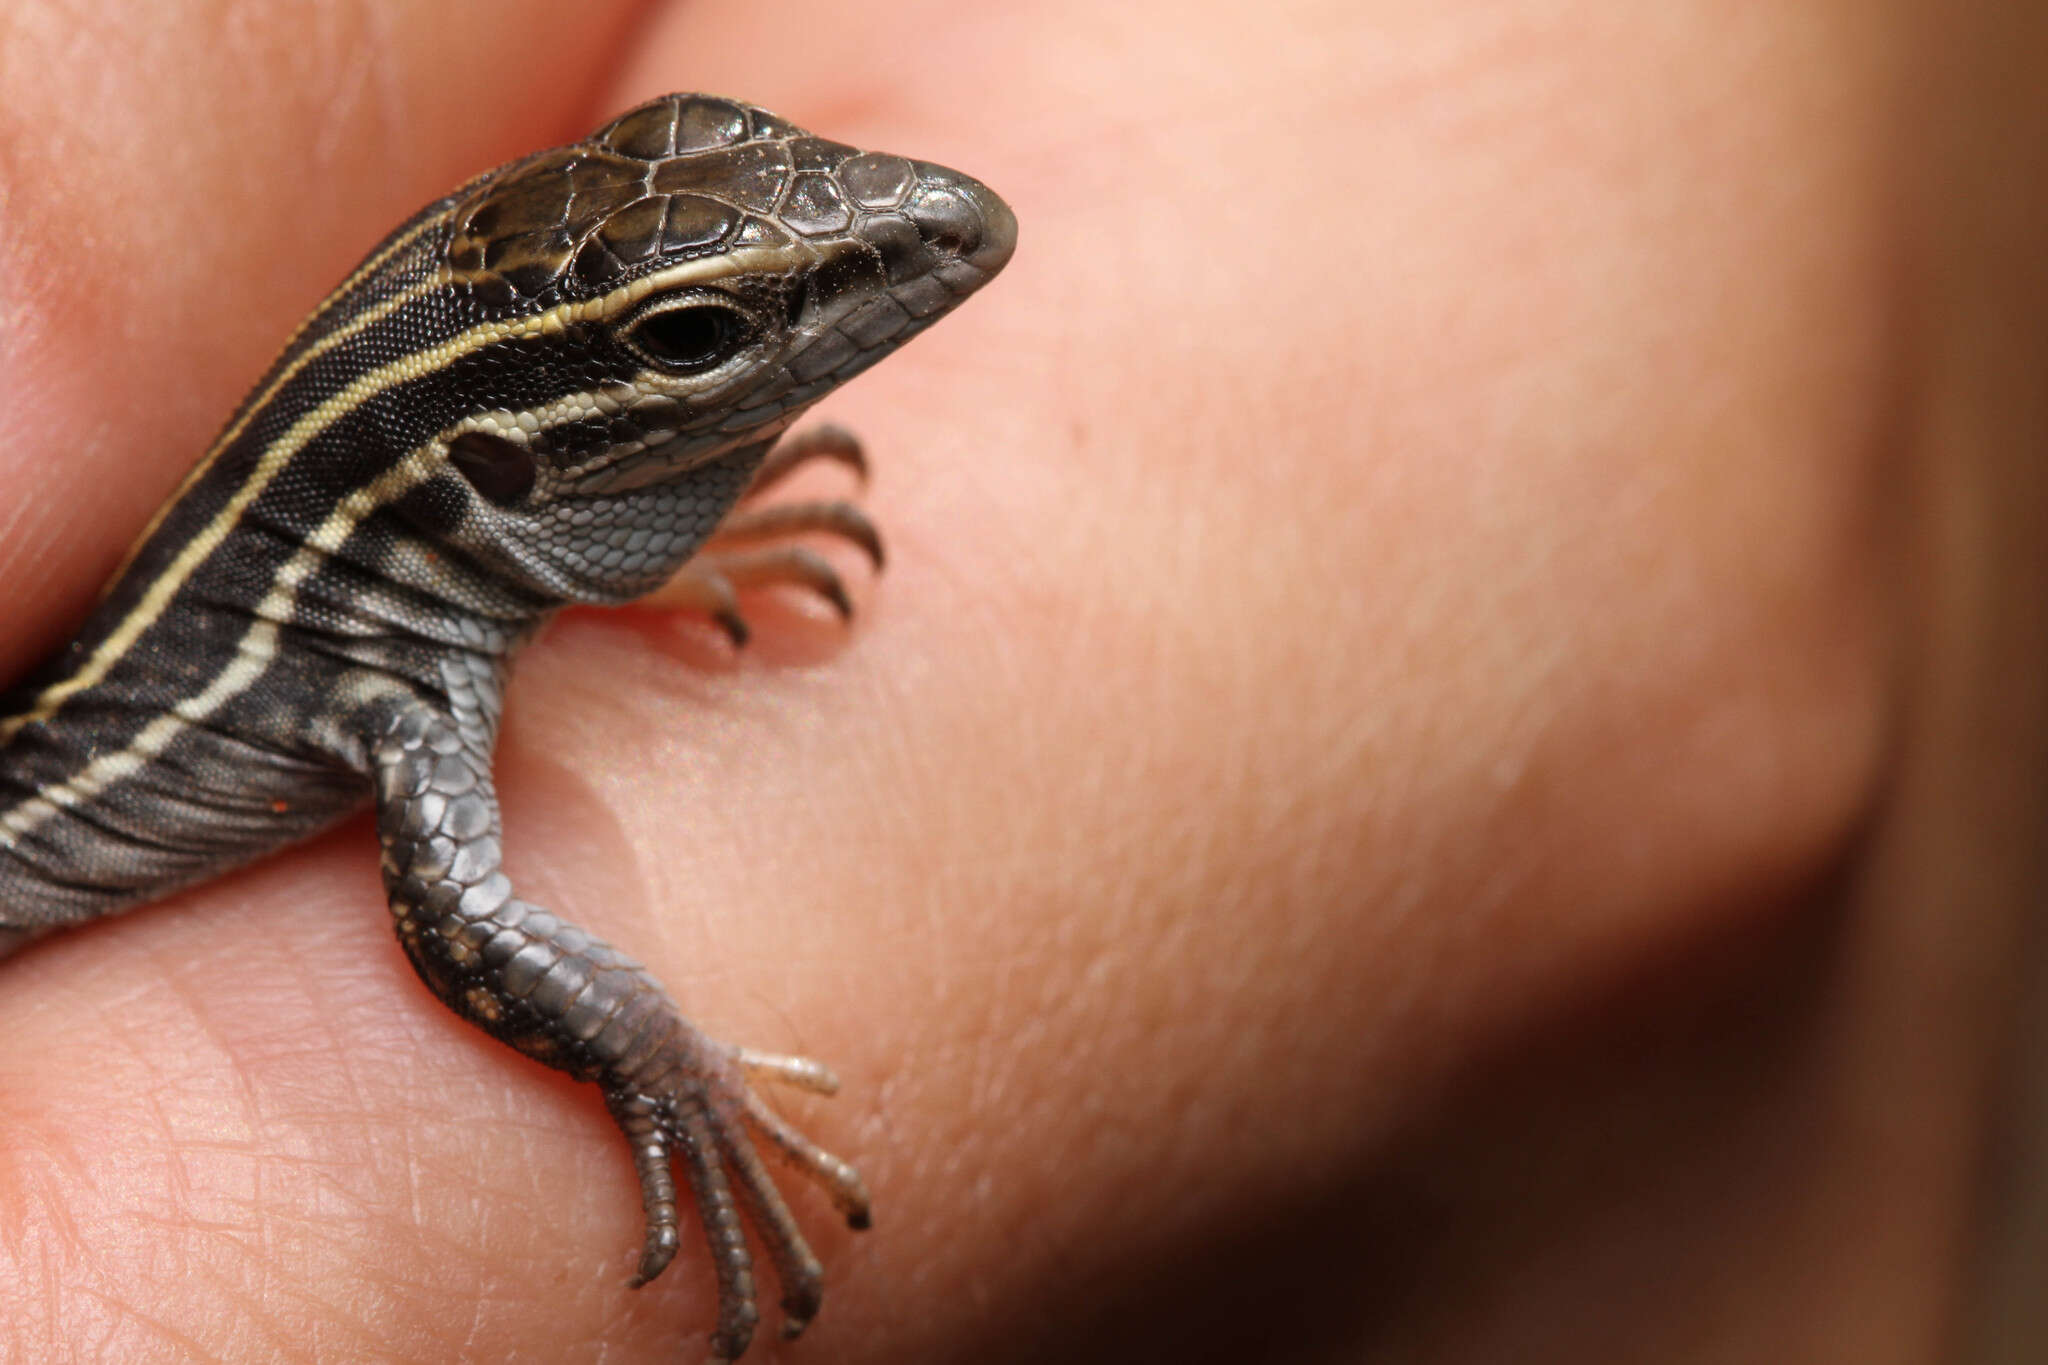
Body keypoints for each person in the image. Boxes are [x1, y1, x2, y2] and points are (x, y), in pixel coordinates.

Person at [1, 2, 2041, 1360]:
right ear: (496, 462)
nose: (916, 228)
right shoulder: (367, 652)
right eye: (709, 335)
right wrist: (671, 1069)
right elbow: (462, 918)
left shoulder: (405, 569)